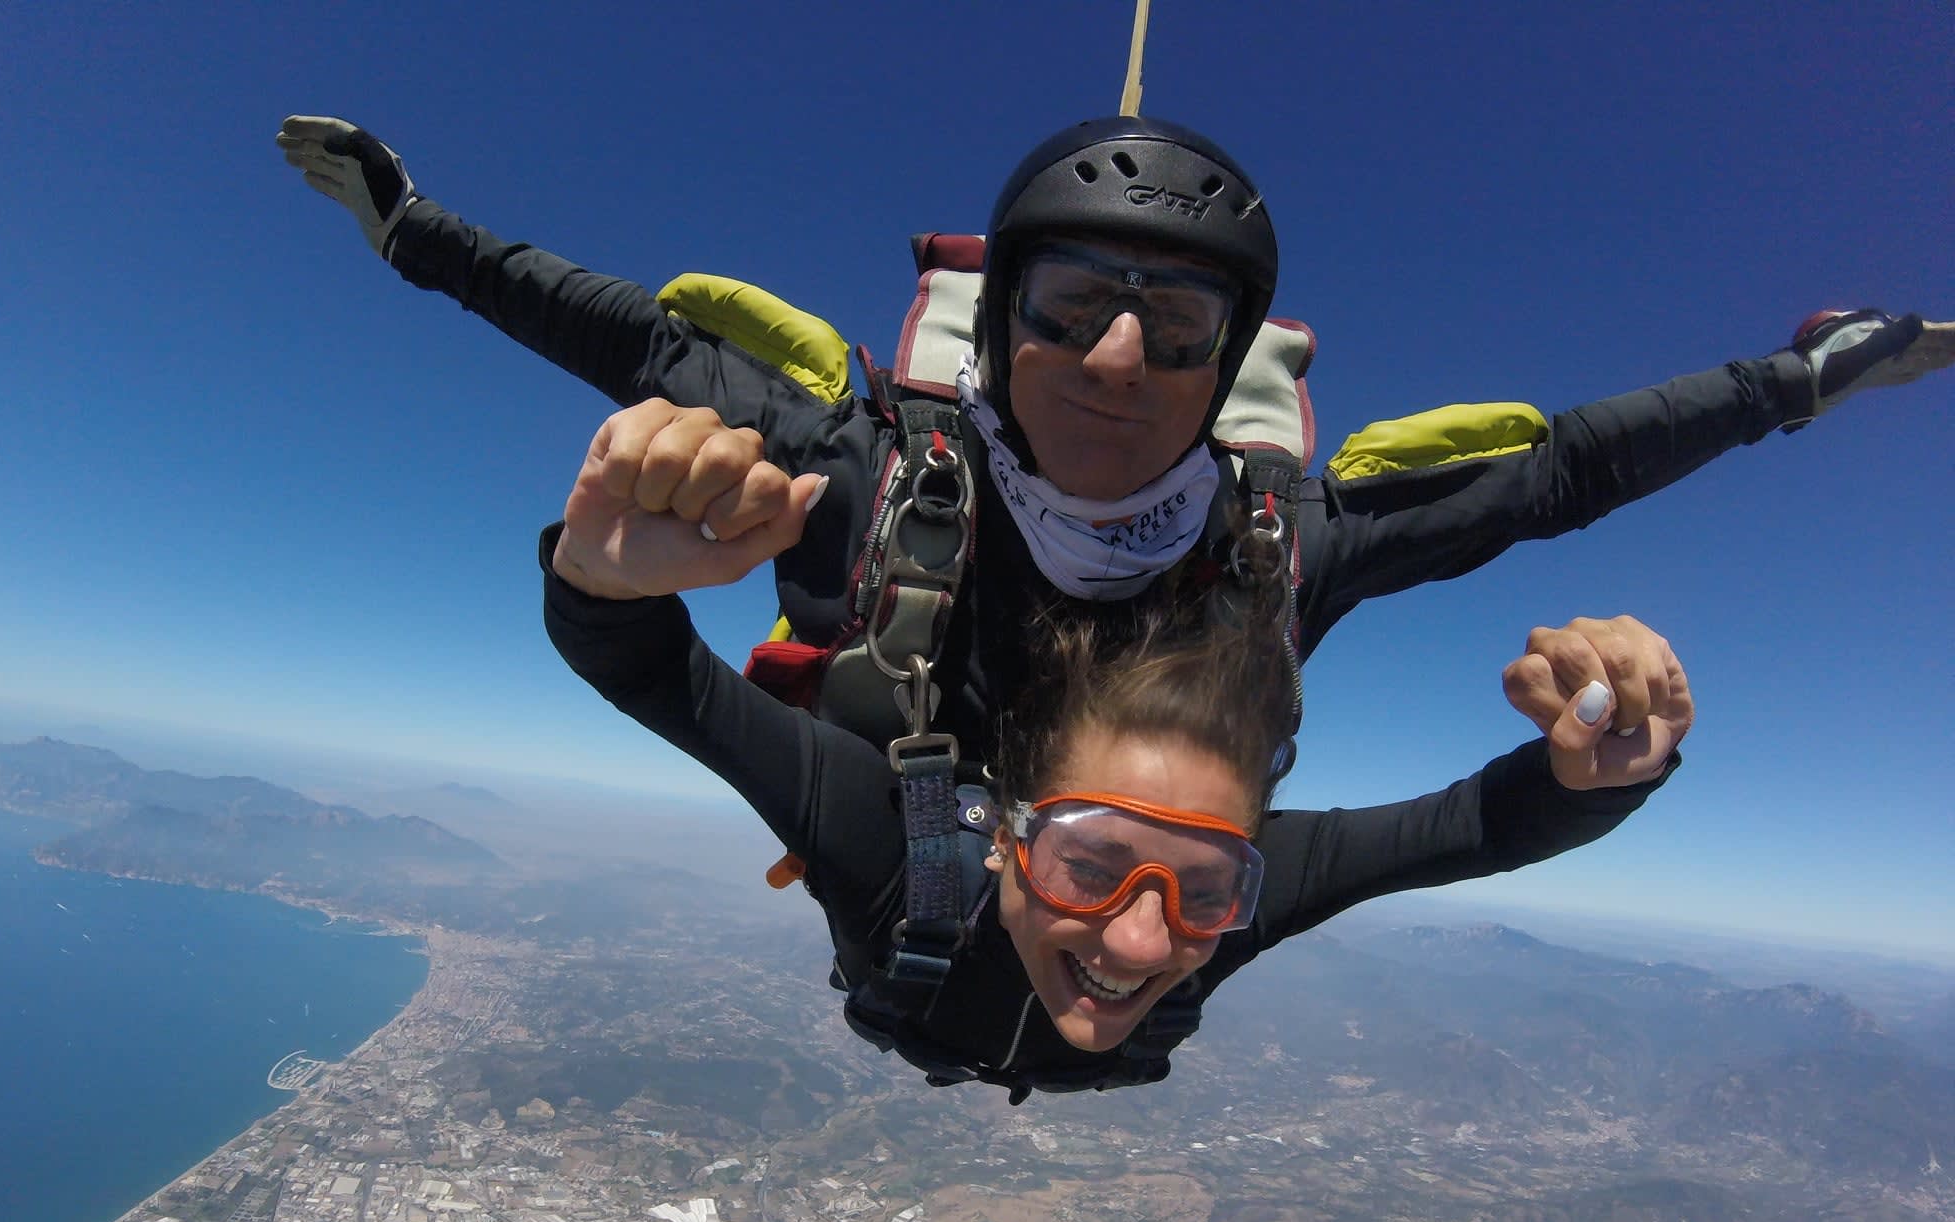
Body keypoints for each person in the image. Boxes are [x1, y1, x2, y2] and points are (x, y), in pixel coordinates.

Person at [278, 112, 1947, 758]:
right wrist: (416, 231)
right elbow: (623, 332)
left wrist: (1792, 385)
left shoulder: (1288, 534)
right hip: (932, 834)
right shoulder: (864, 471)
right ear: (1000, 328)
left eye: (1183, 324)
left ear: (1228, 371)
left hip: (1133, 878)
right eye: (1070, 305)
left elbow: (1565, 470)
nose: (1120, 351)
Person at [541, 401, 1693, 1102]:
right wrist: (602, 569)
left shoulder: (1220, 900)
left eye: (1205, 886)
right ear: (1003, 834)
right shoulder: (896, 844)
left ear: (1249, 864)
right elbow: (659, 677)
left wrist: (1607, 767)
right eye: (1093, 862)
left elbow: (1472, 832)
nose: (1145, 937)